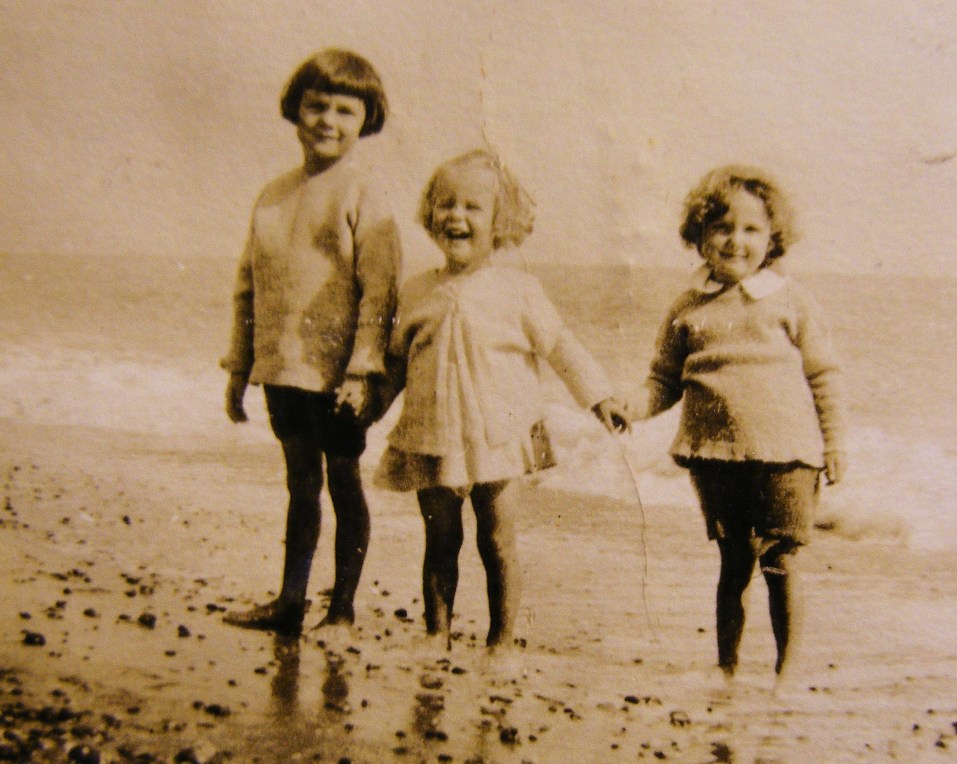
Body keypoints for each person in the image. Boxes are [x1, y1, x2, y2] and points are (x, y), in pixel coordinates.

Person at [374, 149, 628, 651]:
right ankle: (436, 633)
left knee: (498, 540)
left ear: (500, 222)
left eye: (472, 207)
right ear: (430, 214)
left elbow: (560, 347)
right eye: (446, 204)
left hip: (500, 437)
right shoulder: (417, 291)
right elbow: (397, 365)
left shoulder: (519, 289)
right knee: (440, 540)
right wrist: (367, 410)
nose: (456, 216)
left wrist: (599, 396)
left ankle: (501, 640)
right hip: (434, 434)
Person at [626, 165, 846, 682]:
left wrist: (835, 444)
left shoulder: (790, 300)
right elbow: (663, 379)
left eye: (751, 229)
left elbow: (824, 375)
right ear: (699, 235)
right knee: (734, 566)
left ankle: (785, 673)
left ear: (773, 238)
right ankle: (726, 669)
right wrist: (633, 408)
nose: (735, 240)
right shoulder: (687, 306)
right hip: (716, 456)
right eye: (722, 227)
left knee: (781, 562)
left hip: (788, 457)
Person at [220, 49, 401, 636]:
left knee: (344, 482)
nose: (327, 120)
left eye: (345, 110)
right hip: (283, 369)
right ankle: (290, 600)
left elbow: (380, 291)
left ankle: (341, 610)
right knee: (300, 484)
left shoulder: (363, 193)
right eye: (316, 105)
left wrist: (363, 371)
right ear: (295, 110)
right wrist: (239, 367)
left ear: (366, 119)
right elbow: (247, 287)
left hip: (339, 376)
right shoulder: (272, 195)